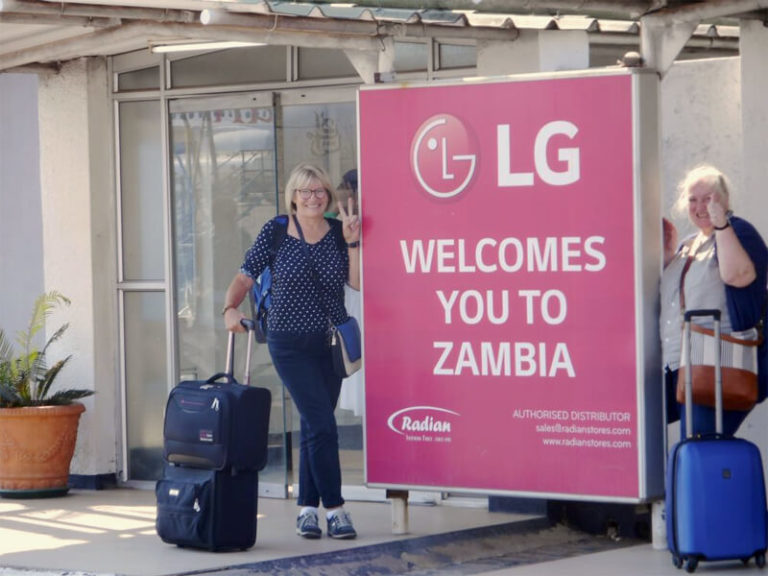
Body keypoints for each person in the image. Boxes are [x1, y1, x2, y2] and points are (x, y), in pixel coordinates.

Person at [222, 162, 361, 539]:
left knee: (315, 427)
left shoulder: (337, 231)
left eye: (320, 192)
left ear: (328, 196)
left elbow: (356, 283)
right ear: (293, 197)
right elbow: (245, 275)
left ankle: (306, 511)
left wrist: (352, 242)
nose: (313, 198)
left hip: (330, 343)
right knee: (322, 424)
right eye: (305, 192)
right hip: (288, 343)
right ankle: (334, 509)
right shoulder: (278, 230)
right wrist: (230, 307)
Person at [661, 164, 768, 437]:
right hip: (679, 365)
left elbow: (738, 275)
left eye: (708, 198)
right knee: (690, 448)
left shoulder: (738, 232)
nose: (701, 206)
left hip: (717, 364)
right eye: (693, 199)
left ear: (724, 199)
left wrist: (721, 223)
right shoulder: (687, 244)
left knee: (702, 445)